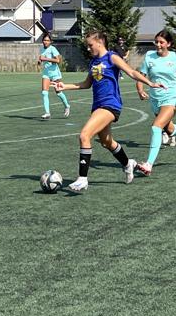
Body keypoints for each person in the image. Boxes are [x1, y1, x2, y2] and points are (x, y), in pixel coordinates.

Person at [53, 29, 163, 193]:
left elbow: (132, 72)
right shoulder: (93, 62)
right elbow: (86, 84)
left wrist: (150, 83)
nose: (88, 48)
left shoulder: (112, 57)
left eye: (90, 45)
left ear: (100, 42)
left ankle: (82, 179)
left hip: (111, 104)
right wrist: (65, 86)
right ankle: (128, 163)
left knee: (84, 135)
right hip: (98, 106)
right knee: (106, 142)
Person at [133, 29, 176, 177]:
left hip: (171, 97)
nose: (158, 45)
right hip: (155, 99)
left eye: (161, 42)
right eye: (156, 42)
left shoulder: (175, 58)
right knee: (170, 130)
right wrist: (140, 90)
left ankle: (148, 165)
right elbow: (141, 76)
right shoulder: (149, 56)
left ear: (169, 44)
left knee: (156, 127)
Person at [37, 33, 70, 119]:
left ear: (51, 41)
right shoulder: (41, 48)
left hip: (55, 74)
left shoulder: (53, 49)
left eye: (48, 40)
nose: (46, 42)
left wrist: (45, 59)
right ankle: (47, 113)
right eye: (44, 40)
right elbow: (41, 58)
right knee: (44, 93)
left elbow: (58, 60)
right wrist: (40, 61)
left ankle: (67, 106)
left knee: (58, 92)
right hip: (46, 73)